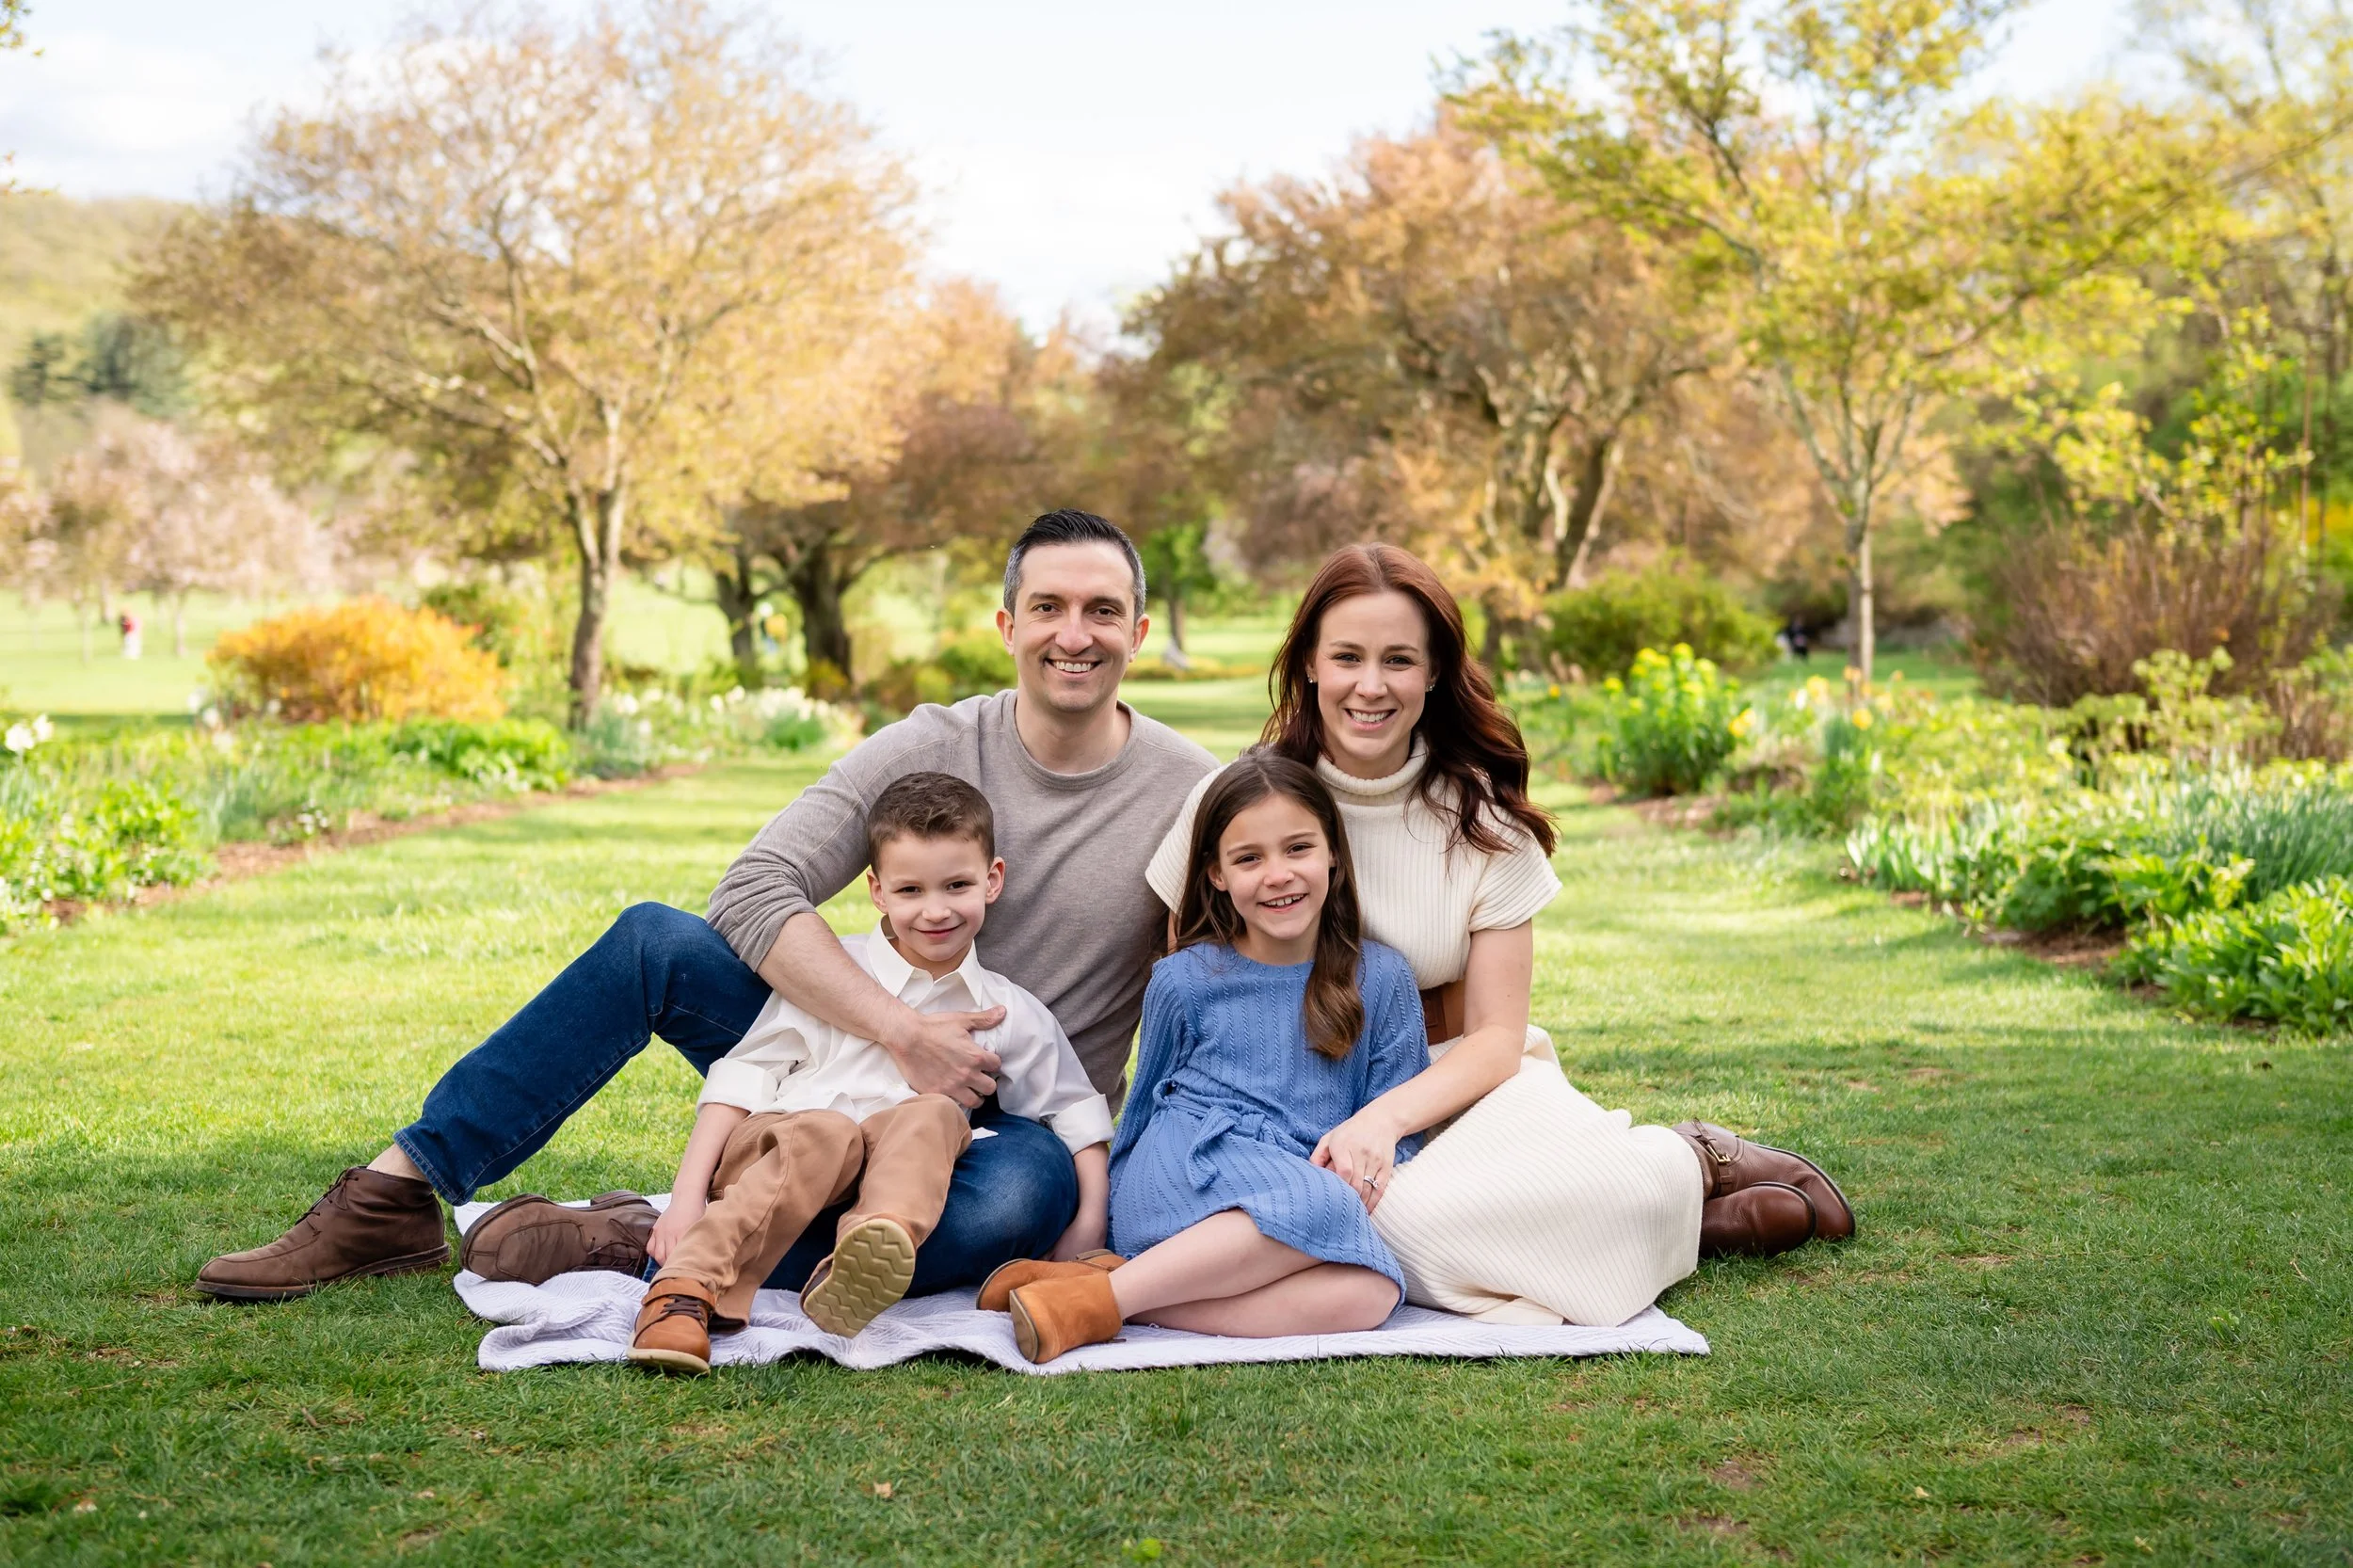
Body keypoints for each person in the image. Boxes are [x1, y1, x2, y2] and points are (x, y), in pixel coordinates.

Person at [196, 510, 1216, 1303]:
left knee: (1016, 1205)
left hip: (1013, 1121)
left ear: (1135, 630)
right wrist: (899, 1030)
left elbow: (1240, 962)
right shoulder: (933, 743)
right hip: (846, 1064)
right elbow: (754, 887)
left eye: (1100, 611)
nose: (1073, 634)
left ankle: (642, 1238)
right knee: (655, 941)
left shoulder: (1192, 790)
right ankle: (395, 1194)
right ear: (1007, 626)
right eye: (1047, 607)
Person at [1136, 545, 1853, 1329]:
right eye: (1347, 657)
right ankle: (1668, 1230)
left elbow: (1496, 1039)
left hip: (1457, 1077)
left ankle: (1686, 1163)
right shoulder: (1238, 801)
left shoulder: (1483, 820)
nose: (1370, 685)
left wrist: (1383, 1120)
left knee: (1523, 1202)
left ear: (1434, 672)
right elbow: (1195, 972)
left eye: (1398, 660)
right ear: (1310, 663)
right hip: (1286, 1095)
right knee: (1386, 1228)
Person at [620, 773, 1112, 1372]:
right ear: (878, 891)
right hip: (779, 1148)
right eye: (910, 890)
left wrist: (1090, 1223)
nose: (936, 910)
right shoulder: (833, 973)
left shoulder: (1004, 1012)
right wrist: (685, 1199)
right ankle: (681, 1289)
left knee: (937, 1115)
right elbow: (742, 1079)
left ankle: (867, 1254)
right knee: (827, 1132)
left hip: (881, 1187)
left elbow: (1073, 1111)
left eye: (957, 885)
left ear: (993, 879)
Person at [994, 753, 1430, 1364]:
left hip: (1292, 1190)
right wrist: (1109, 1207)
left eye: (1298, 849)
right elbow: (1146, 1103)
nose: (1278, 875)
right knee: (1322, 1204)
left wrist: (1357, 1164)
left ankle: (1108, 1291)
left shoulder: (1382, 978)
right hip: (1187, 1169)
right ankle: (1097, 1298)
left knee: (1371, 1293)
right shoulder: (1185, 979)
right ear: (1217, 875)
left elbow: (1397, 1119)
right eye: (1249, 859)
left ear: (1333, 852)